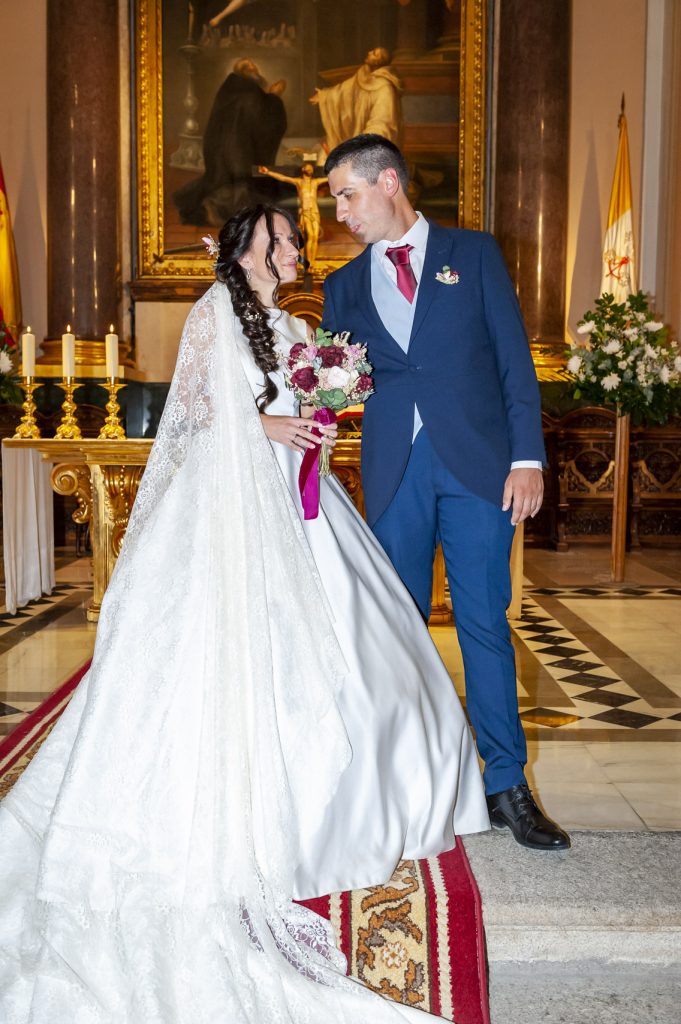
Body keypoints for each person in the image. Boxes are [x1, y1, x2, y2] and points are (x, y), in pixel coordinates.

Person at [0, 203, 489, 1021]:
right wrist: (269, 424)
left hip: (299, 501)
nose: (296, 247)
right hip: (228, 509)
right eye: (284, 238)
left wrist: (322, 410)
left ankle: (390, 794)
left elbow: (307, 402)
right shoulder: (213, 314)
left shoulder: (293, 325)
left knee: (372, 641)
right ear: (249, 250)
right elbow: (193, 417)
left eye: (295, 237)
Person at [321, 134, 571, 852]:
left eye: (347, 194)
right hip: (394, 472)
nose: (340, 213)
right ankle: (409, 780)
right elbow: (337, 382)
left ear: (388, 183)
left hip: (479, 468)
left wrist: (526, 457)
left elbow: (513, 363)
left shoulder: (474, 254)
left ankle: (507, 786)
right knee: (396, 630)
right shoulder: (343, 285)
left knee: (483, 623)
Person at [173, 58, 287, 225]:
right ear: (246, 72)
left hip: (221, 152)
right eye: (251, 68)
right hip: (239, 153)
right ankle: (219, 209)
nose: (255, 70)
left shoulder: (229, 89)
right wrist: (274, 98)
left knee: (229, 186)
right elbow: (262, 119)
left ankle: (215, 207)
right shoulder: (249, 91)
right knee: (246, 193)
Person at [310, 48, 402, 151]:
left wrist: (363, 142)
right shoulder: (363, 77)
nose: (369, 52)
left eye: (374, 54)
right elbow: (343, 92)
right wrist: (325, 96)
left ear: (378, 62)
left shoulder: (385, 88)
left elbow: (382, 123)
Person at [257, 162, 327, 264]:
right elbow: (283, 178)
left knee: (315, 237)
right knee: (310, 236)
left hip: (315, 212)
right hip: (305, 212)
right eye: (308, 168)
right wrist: (268, 172)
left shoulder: (315, 182)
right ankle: (309, 262)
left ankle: (313, 261)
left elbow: (328, 178)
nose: (310, 170)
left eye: (311, 168)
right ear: (303, 169)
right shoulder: (299, 182)